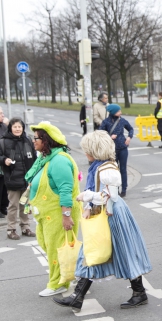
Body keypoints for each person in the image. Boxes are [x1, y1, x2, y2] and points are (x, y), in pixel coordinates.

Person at [53, 131, 152, 312]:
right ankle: (78, 296)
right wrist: (89, 206)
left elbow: (110, 196)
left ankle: (139, 293)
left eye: (87, 149)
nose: (85, 153)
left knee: (121, 252)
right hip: (105, 214)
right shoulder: (99, 166)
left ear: (96, 150)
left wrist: (87, 197)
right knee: (94, 252)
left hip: (113, 215)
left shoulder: (106, 169)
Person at [25, 122, 81, 296]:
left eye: (36, 138)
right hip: (46, 213)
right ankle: (73, 273)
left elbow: (65, 189)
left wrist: (66, 215)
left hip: (58, 213)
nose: (33, 141)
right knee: (47, 243)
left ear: (46, 140)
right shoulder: (46, 157)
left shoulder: (59, 160)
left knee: (56, 247)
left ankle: (58, 283)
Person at [0, 118, 37, 239]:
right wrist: (4, 160)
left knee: (25, 205)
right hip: (12, 179)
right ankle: (11, 229)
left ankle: (25, 227)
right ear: (10, 128)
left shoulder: (27, 140)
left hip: (27, 180)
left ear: (23, 128)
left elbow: (34, 158)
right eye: (15, 127)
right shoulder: (4, 142)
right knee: (13, 205)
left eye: (19, 127)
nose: (17, 129)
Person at [99, 104, 133, 197]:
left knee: (123, 169)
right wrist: (110, 137)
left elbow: (130, 129)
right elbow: (100, 134)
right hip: (111, 150)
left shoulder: (122, 120)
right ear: (113, 112)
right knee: (114, 170)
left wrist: (129, 137)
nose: (120, 112)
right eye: (118, 111)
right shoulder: (106, 122)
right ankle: (116, 189)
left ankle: (124, 189)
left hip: (122, 148)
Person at [0, 107, 9, 219]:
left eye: (2, 113)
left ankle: (3, 207)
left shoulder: (4, 127)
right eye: (0, 113)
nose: (2, 115)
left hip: (4, 162)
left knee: (5, 186)